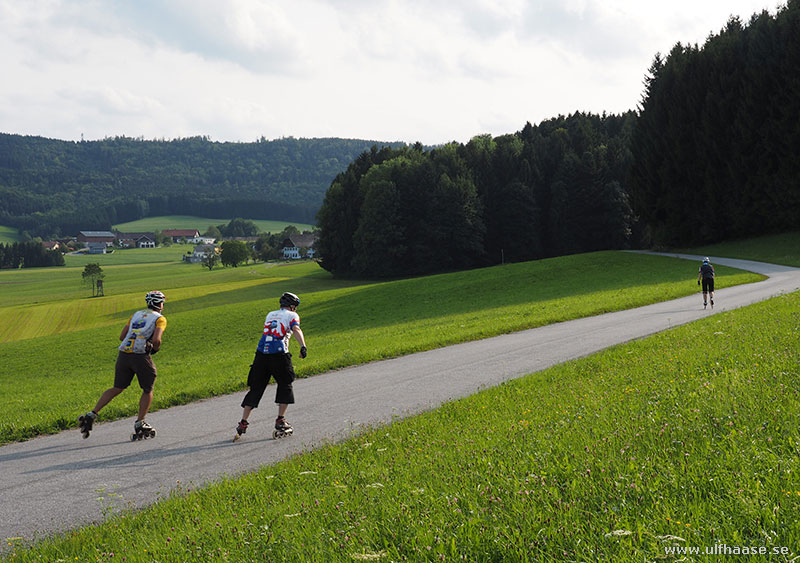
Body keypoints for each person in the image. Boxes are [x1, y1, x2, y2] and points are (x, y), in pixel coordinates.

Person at [78, 291, 167, 439]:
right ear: (160, 304)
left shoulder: (136, 315)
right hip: (140, 355)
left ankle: (91, 414)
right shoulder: (160, 319)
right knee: (147, 388)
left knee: (117, 387)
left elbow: (121, 336)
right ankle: (140, 422)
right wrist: (155, 348)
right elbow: (157, 340)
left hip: (124, 354)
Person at [234, 292, 307, 440]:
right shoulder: (292, 316)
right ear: (292, 306)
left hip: (261, 354)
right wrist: (303, 346)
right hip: (279, 354)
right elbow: (296, 329)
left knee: (257, 387)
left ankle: (243, 422)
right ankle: (280, 420)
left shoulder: (270, 314)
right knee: (285, 383)